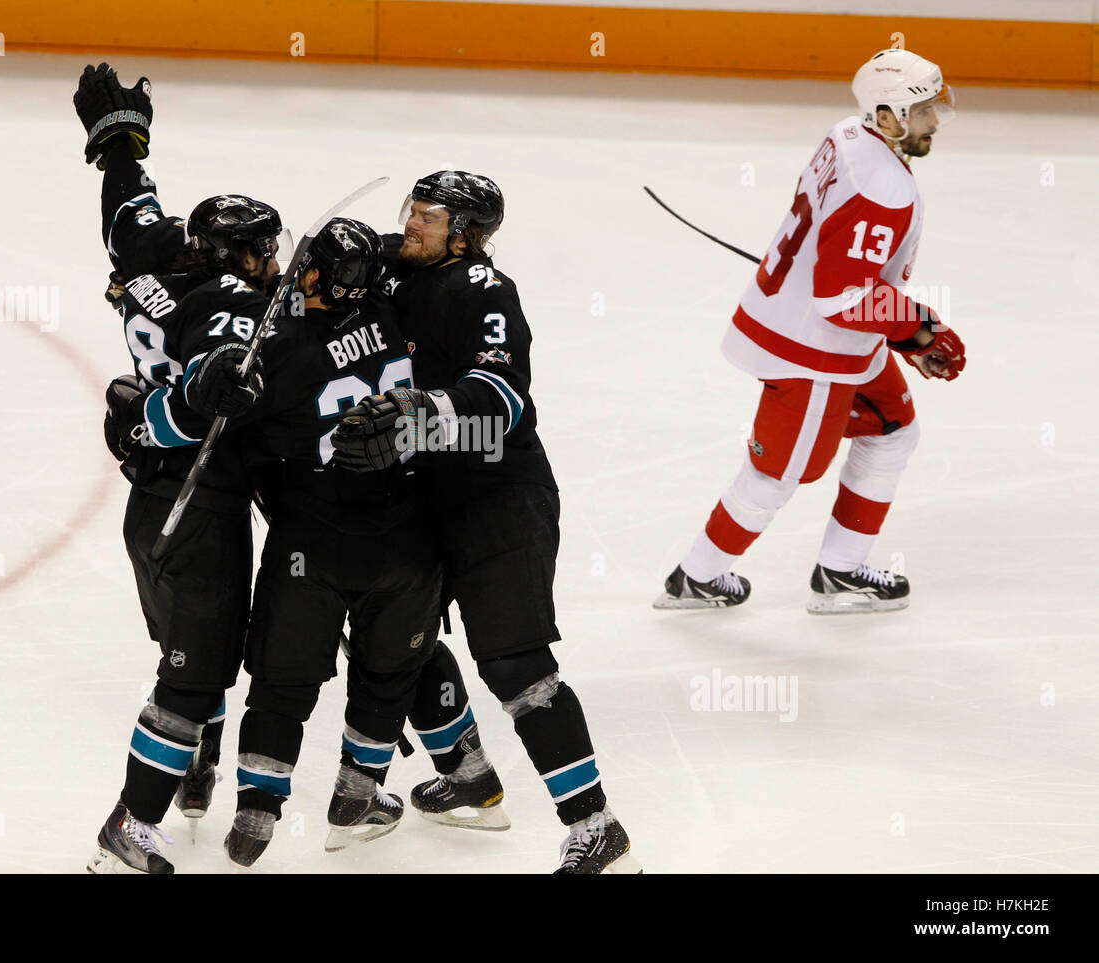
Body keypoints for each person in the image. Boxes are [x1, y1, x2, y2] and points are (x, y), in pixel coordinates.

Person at [333, 172, 640, 874]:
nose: (411, 223)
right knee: (394, 632)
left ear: (467, 232)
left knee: (516, 665)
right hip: (422, 495)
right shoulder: (396, 265)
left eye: (428, 217)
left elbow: (501, 399)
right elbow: (325, 267)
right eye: (410, 210)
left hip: (499, 497)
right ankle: (468, 773)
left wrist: (419, 412)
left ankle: (597, 828)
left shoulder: (484, 291)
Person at [652, 48, 966, 615]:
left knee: (893, 431)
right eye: (923, 111)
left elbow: (841, 270)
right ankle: (697, 578)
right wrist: (918, 328)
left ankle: (841, 570)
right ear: (889, 117)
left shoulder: (849, 132)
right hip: (812, 350)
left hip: (824, 332)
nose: (934, 121)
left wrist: (898, 331)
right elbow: (842, 297)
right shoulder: (884, 188)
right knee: (777, 474)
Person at [180, 219, 445, 866]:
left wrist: (204, 384)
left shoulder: (279, 350)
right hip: (406, 540)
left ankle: (255, 813)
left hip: (311, 542)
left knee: (281, 683)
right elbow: (386, 250)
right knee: (386, 677)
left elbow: (219, 427)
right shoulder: (389, 308)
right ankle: (357, 794)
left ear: (320, 275)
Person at [75, 63, 282, 873]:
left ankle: (193, 755)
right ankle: (131, 822)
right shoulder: (231, 300)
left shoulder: (155, 253)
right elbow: (216, 381)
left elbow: (127, 204)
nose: (275, 261)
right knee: (194, 669)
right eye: (264, 251)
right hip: (199, 501)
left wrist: (121, 143)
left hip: (148, 505)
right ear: (232, 255)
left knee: (194, 650)